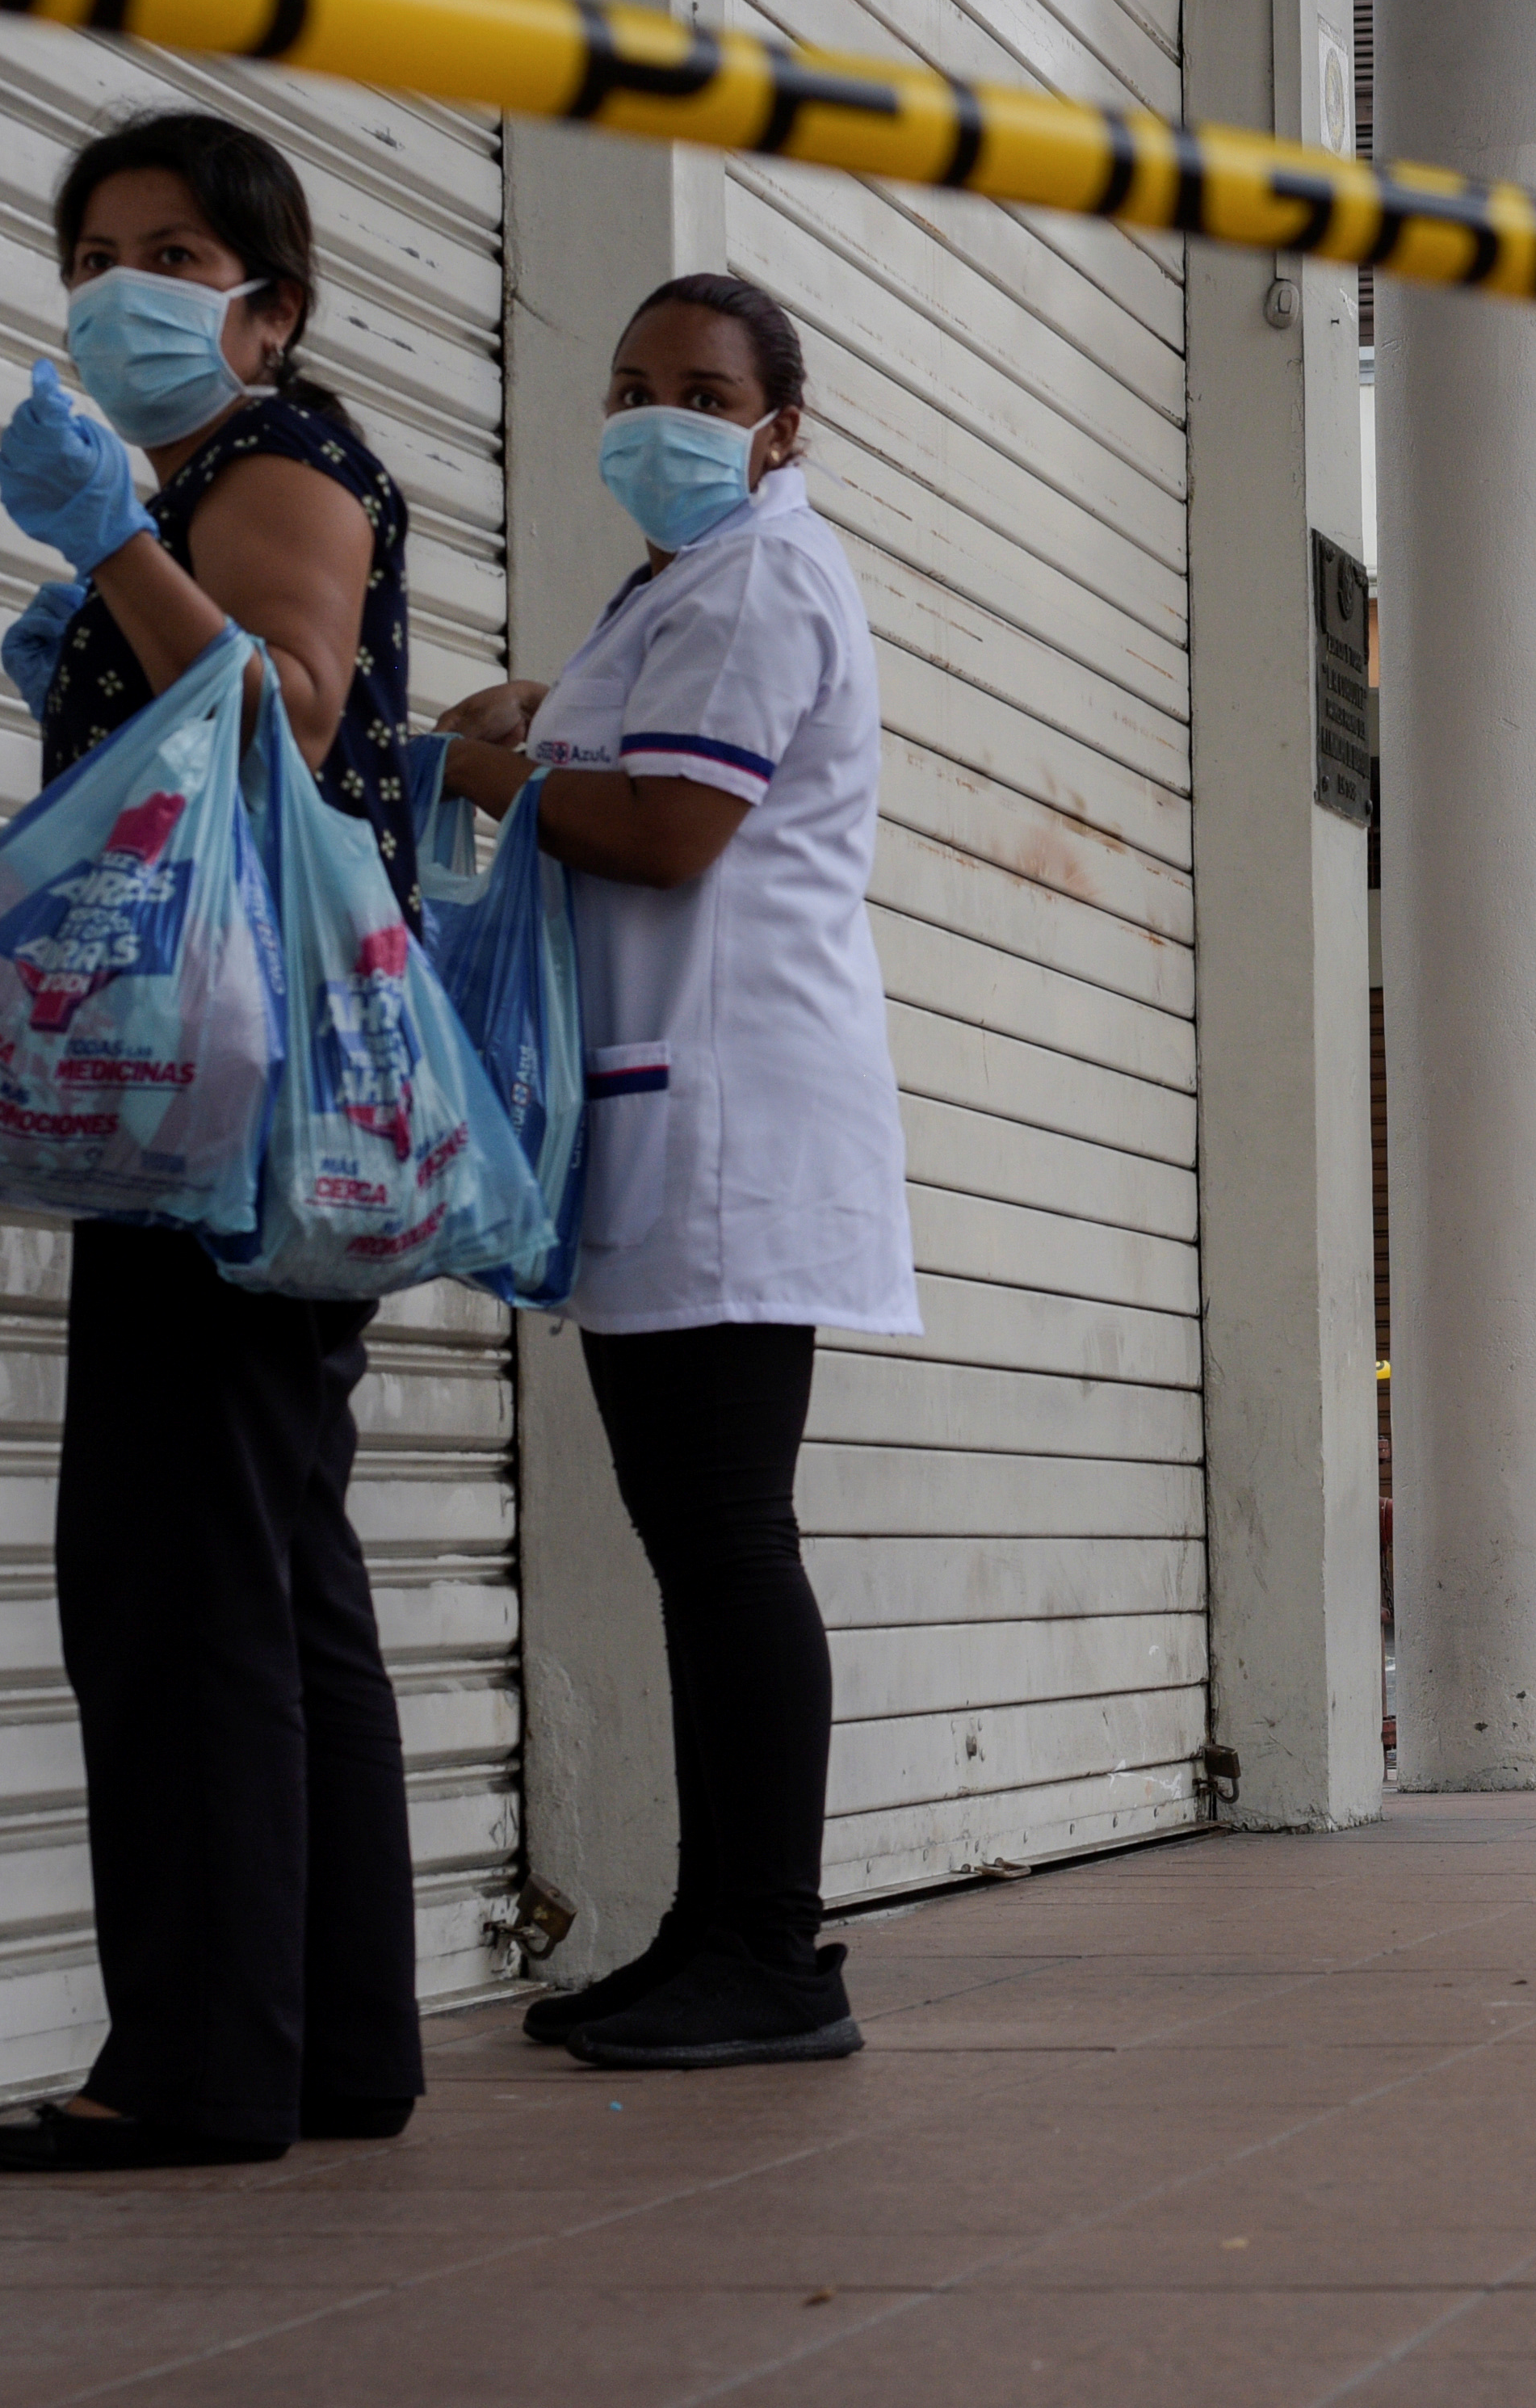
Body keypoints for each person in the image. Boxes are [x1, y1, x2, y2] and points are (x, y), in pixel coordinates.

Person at [0, 112, 428, 2171]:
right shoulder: (228, 479)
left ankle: (194, 2063)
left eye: (171, 249)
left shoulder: (273, 468)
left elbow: (291, 715)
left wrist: (113, 560)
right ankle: (328, 2045)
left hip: (215, 1083)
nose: (118, 281)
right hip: (269, 1076)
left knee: (175, 1573)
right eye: (91, 245)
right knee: (269, 1559)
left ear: (272, 304)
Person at [427, 273, 920, 2071]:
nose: (662, 416)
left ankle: (774, 1953)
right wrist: (548, 713)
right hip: (680, 1108)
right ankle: (715, 1932)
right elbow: (644, 751)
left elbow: (670, 825)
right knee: (696, 1542)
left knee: (725, 1540)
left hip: (730, 1115)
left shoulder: (768, 571)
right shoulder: (697, 581)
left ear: (783, 422)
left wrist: (471, 763)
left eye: (706, 389)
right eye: (633, 381)